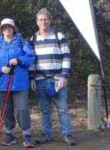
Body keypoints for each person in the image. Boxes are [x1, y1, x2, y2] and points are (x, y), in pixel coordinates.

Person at [29, 8, 76, 146]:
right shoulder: (33, 39)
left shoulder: (58, 36)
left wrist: (64, 76)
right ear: (37, 22)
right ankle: (46, 134)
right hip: (40, 80)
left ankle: (67, 134)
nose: (43, 22)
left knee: (62, 108)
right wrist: (32, 78)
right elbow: (31, 61)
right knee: (44, 110)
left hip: (57, 79)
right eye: (40, 20)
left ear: (50, 20)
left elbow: (66, 57)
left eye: (45, 19)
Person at [0, 18, 35, 148]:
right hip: (2, 83)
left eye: (9, 27)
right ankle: (9, 134)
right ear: (1, 29)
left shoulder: (22, 42)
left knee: (22, 109)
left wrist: (19, 59)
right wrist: (0, 69)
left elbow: (30, 57)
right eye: (4, 27)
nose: (7, 29)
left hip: (19, 82)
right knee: (5, 110)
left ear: (14, 29)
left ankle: (27, 134)